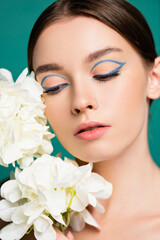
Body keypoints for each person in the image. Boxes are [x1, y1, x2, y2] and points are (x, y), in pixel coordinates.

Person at [1, 0, 160, 239]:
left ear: (154, 78)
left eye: (104, 73)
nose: (80, 101)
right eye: (54, 86)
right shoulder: (12, 216)